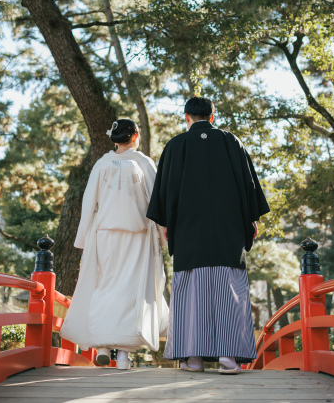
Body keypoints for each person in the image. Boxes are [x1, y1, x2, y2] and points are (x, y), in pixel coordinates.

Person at [147, 97, 270, 374]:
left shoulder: (176, 145)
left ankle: (193, 359)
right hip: (229, 232)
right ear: (212, 117)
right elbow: (248, 185)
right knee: (230, 291)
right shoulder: (231, 142)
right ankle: (229, 359)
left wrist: (168, 223)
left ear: (187, 117)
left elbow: (166, 191)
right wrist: (251, 219)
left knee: (192, 293)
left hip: (189, 232)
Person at [59, 119, 168, 370]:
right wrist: (165, 234)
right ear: (136, 135)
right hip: (137, 234)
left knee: (105, 285)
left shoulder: (102, 164)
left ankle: (102, 346)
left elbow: (89, 201)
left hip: (105, 233)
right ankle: (124, 356)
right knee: (131, 289)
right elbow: (158, 201)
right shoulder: (144, 163)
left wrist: (84, 236)